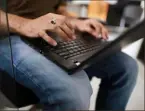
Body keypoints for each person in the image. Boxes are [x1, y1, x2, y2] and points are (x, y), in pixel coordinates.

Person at [0, 0, 138, 110]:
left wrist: (76, 22)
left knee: (127, 66)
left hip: (50, 34)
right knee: (74, 96)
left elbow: (58, 9)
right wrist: (25, 24)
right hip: (10, 35)